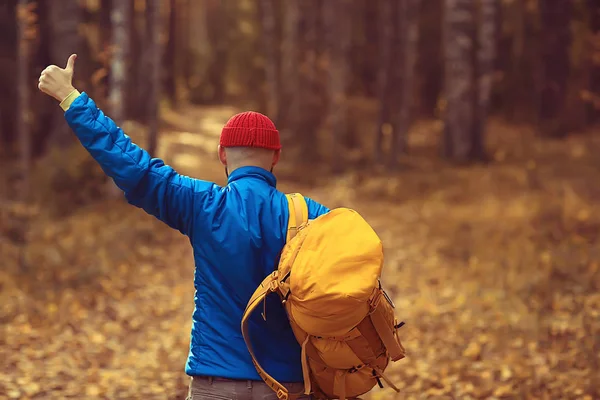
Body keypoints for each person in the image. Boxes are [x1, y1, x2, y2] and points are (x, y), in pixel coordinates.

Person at [38, 54, 329, 400]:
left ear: (222, 154)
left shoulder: (202, 204)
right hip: (291, 386)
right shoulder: (313, 215)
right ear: (276, 157)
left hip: (215, 384)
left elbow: (135, 167)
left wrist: (72, 99)